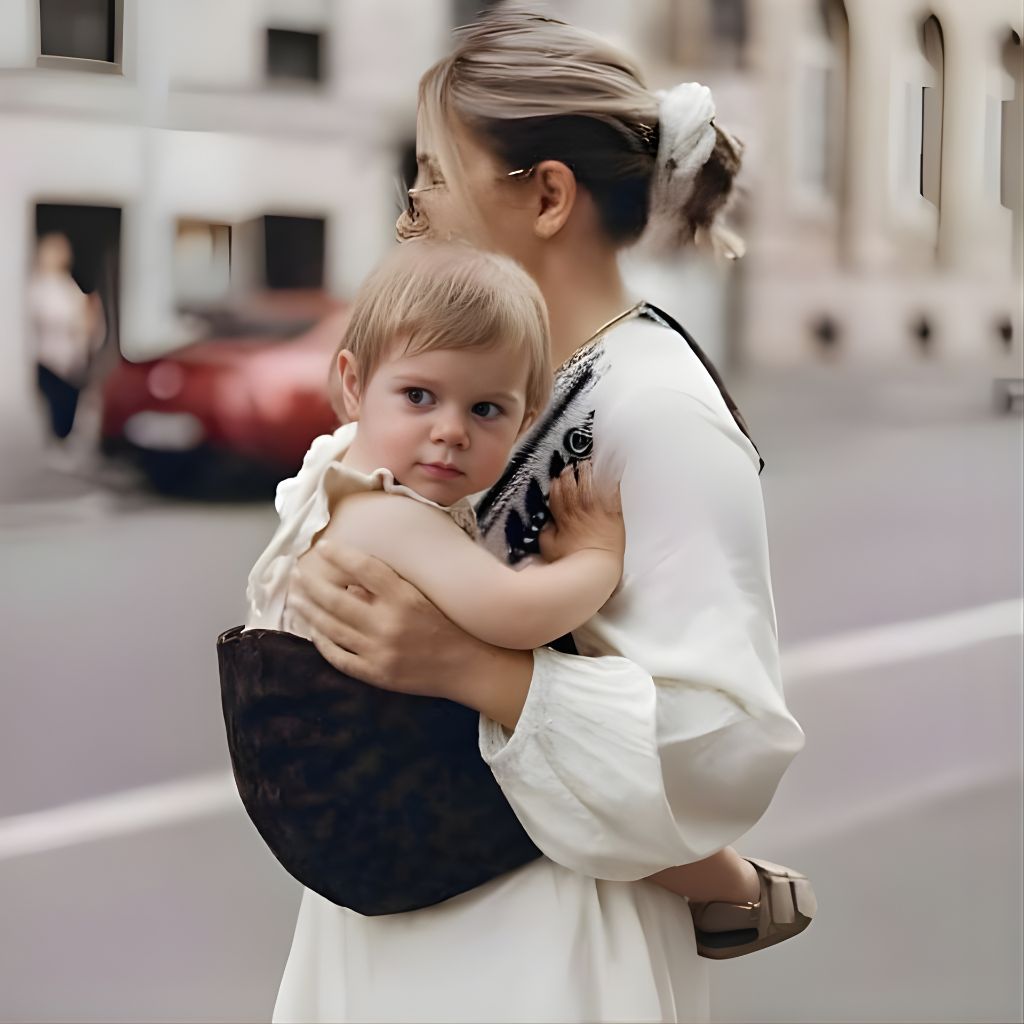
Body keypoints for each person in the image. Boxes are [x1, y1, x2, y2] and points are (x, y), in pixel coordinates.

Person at [273, 9, 810, 1022]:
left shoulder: (658, 410)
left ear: (547, 194)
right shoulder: (477, 383)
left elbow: (721, 742)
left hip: (542, 951)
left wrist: (470, 667)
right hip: (395, 915)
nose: (409, 211)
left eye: (432, 173)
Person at [239, 237, 809, 936]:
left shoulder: (334, 466)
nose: (449, 432)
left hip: (322, 798)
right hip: (369, 800)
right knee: (560, 771)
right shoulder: (390, 516)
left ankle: (731, 886)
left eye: (486, 411)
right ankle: (729, 887)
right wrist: (597, 560)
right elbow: (513, 617)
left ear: (527, 412)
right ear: (353, 384)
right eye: (419, 396)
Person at [28, 233, 104, 449]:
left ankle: (62, 443)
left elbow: (83, 317)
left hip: (72, 359)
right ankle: (56, 443)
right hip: (51, 359)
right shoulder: (40, 286)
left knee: (69, 405)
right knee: (57, 406)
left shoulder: (66, 284)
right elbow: (51, 318)